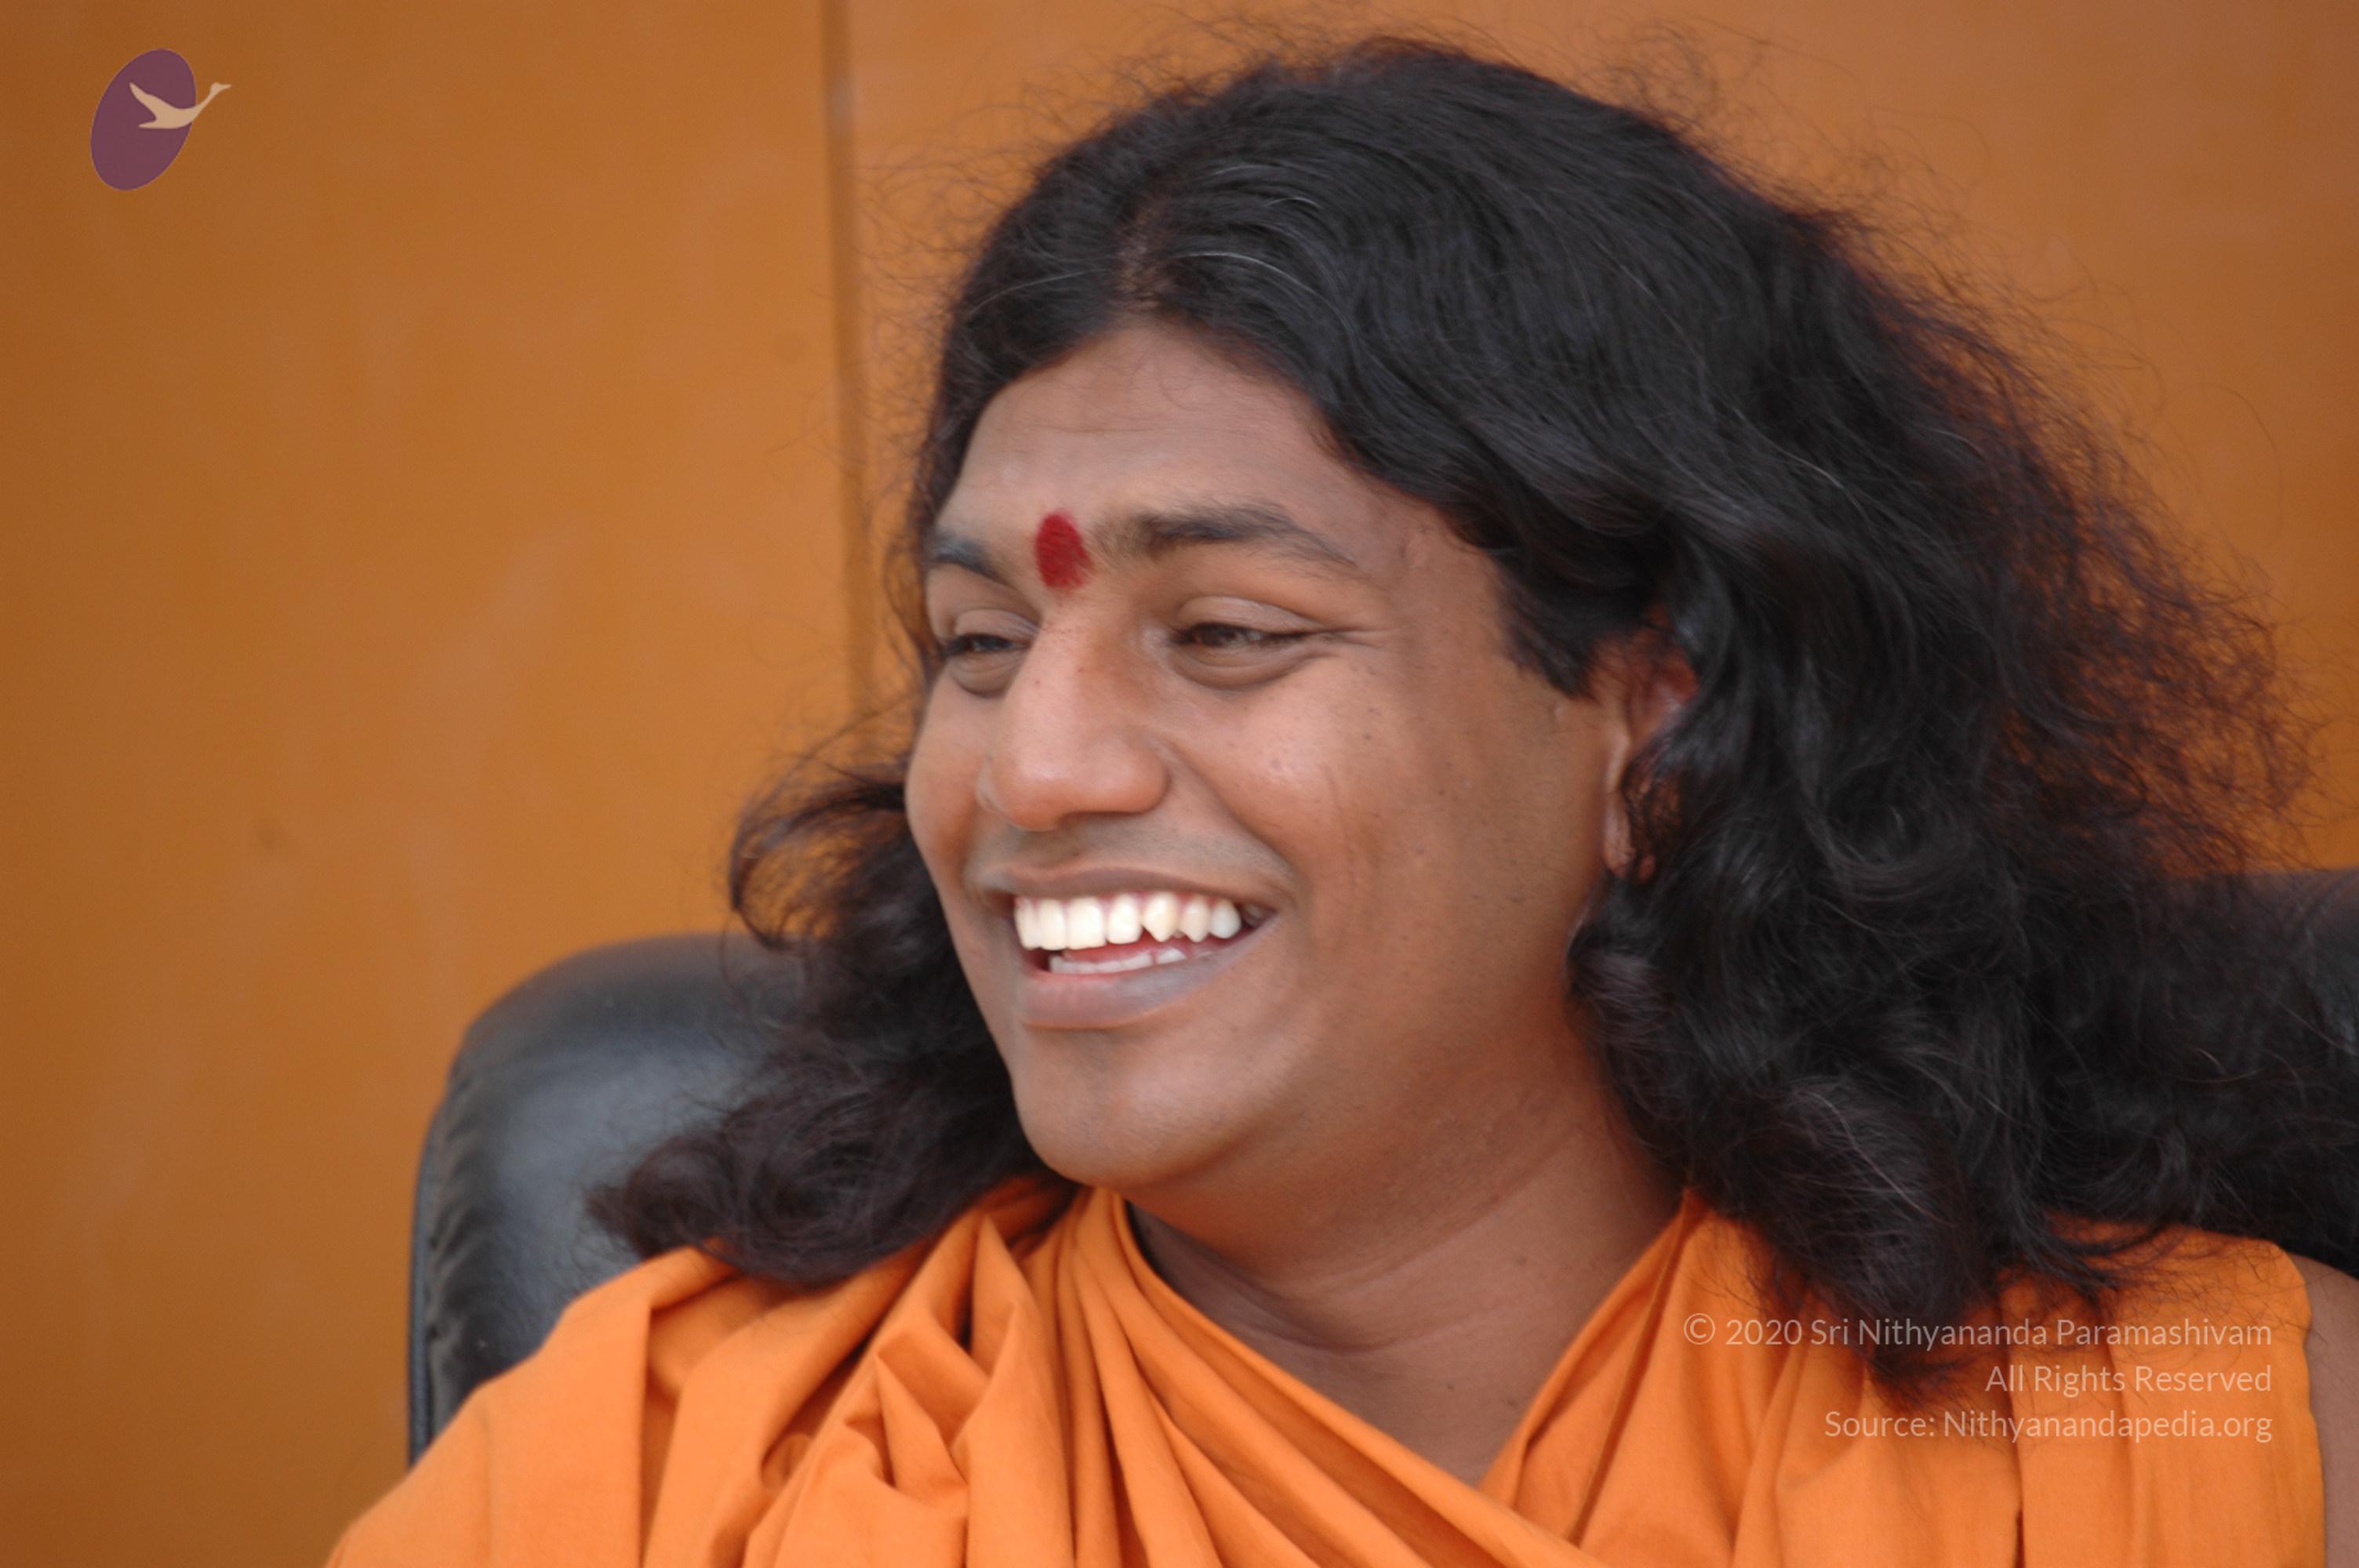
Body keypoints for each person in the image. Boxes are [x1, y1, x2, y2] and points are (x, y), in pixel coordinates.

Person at [327, 36, 2359, 1566]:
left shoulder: (2204, 1445)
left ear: (1656, 723)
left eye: (1227, 632)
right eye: (978, 644)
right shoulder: (671, 1480)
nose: (1032, 769)